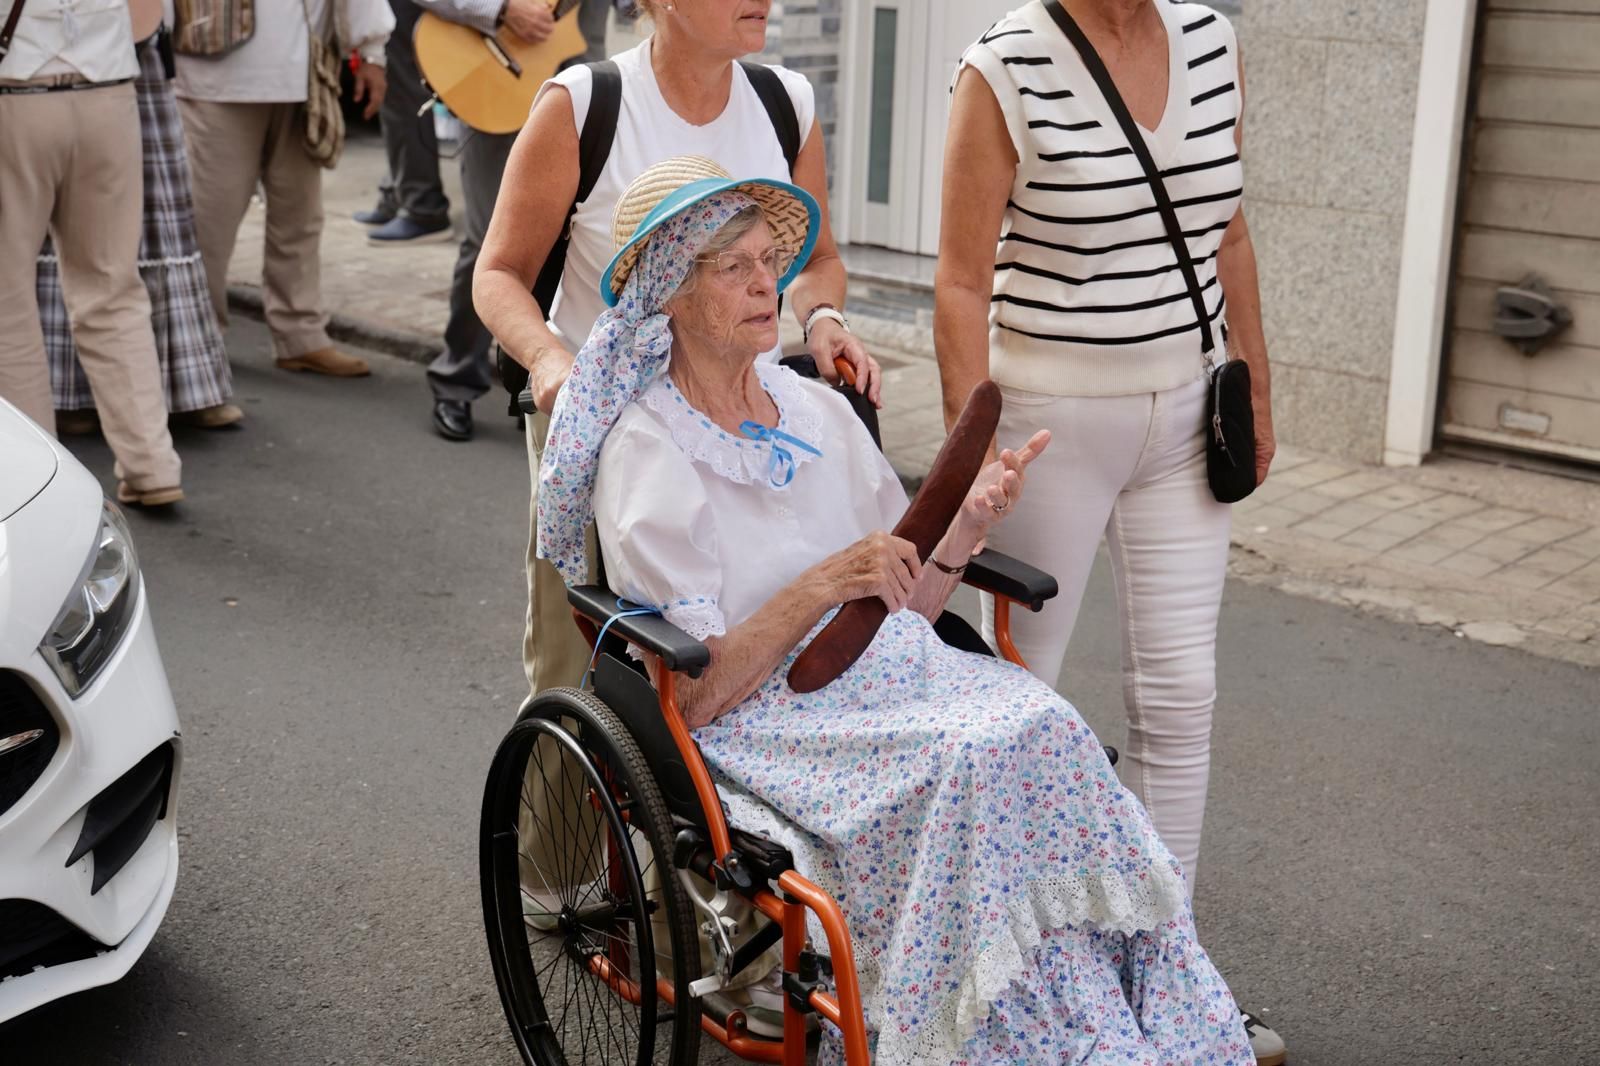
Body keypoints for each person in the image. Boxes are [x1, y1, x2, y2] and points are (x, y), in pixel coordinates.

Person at [537, 160, 1252, 1066]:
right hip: (771, 723)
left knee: (1040, 724)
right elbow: (699, 696)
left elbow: (894, 607)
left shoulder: (818, 412)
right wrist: (824, 581)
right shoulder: (648, 451)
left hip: (890, 681)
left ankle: (1101, 1024)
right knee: (980, 755)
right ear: (669, 292)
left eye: (770, 261)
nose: (770, 285)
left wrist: (965, 527)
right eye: (735, 268)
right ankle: (971, 1034)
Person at [934, 1, 1281, 1060]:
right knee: (1013, 711)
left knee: (1180, 700)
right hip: (1046, 429)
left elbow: (1224, 229)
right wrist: (972, 454)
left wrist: (1256, 390)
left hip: (1185, 416)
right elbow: (957, 277)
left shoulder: (1211, 39)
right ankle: (1013, 994)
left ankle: (1161, 982)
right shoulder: (1003, 66)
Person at [475, 0, 879, 696]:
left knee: (749, 643)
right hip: (602, 414)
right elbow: (498, 272)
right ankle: (552, 804)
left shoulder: (786, 103)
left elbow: (818, 259)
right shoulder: (586, 105)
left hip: (739, 414)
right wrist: (547, 360)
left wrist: (821, 317)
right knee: (578, 667)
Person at [0, 0, 185, 506]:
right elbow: (151, 18)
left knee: (7, 300)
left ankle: (38, 485)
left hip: (16, 93)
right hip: (107, 94)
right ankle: (152, 465)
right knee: (112, 288)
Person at [174, 0, 393, 380]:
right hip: (216, 78)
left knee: (300, 218)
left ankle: (300, 336)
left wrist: (373, 54)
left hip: (306, 76)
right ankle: (197, 345)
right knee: (208, 225)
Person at [38, 27, 239, 435]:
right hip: (80, 72)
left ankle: (178, 394)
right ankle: (73, 400)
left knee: (150, 222)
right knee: (83, 239)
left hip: (114, 71)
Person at [407, 0, 558, 441]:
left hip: (584, 82)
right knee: (489, 245)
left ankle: (535, 384)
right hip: (497, 76)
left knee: (569, 245)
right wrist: (500, 9)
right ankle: (457, 379)